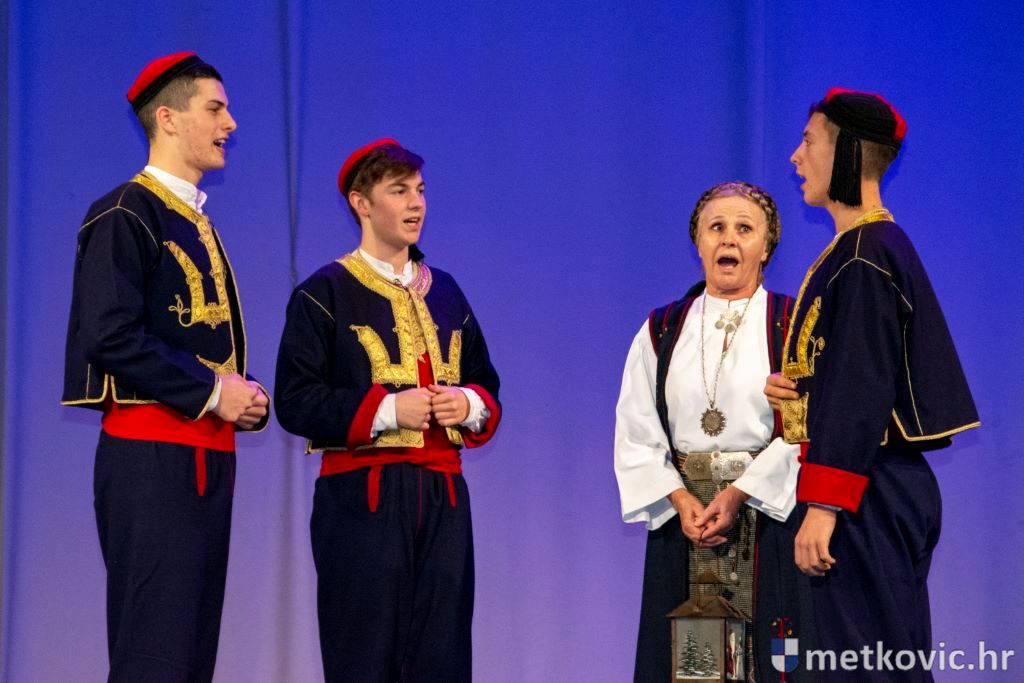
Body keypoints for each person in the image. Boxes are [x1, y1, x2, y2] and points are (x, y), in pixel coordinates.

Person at [62, 52, 268, 682]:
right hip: (152, 459)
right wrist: (213, 391)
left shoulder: (192, 219)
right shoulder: (125, 211)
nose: (231, 123)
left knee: (190, 657)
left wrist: (241, 396)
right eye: (216, 108)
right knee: (154, 652)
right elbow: (108, 334)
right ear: (169, 119)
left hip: (205, 458)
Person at [765, 87, 979, 680]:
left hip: (867, 490)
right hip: (875, 484)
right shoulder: (863, 248)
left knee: (867, 666)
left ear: (848, 153)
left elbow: (861, 388)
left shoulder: (865, 254)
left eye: (809, 141)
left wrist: (825, 503)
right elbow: (852, 374)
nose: (795, 156)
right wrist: (798, 395)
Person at [274, 139, 501, 682]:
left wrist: (466, 403)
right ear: (362, 203)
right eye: (399, 191)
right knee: (364, 652)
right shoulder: (323, 292)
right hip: (363, 497)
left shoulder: (446, 291)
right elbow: (295, 400)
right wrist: (388, 410)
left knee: (443, 654)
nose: (416, 203)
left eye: (420, 190)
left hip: (444, 498)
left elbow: (486, 384)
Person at [614, 181, 814, 682]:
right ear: (698, 243)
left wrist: (740, 493)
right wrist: (680, 499)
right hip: (685, 524)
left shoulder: (793, 325)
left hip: (770, 519)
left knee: (772, 660)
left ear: (766, 247)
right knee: (689, 666)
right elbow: (637, 428)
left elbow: (808, 429)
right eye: (716, 227)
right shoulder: (662, 329)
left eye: (745, 229)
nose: (729, 238)